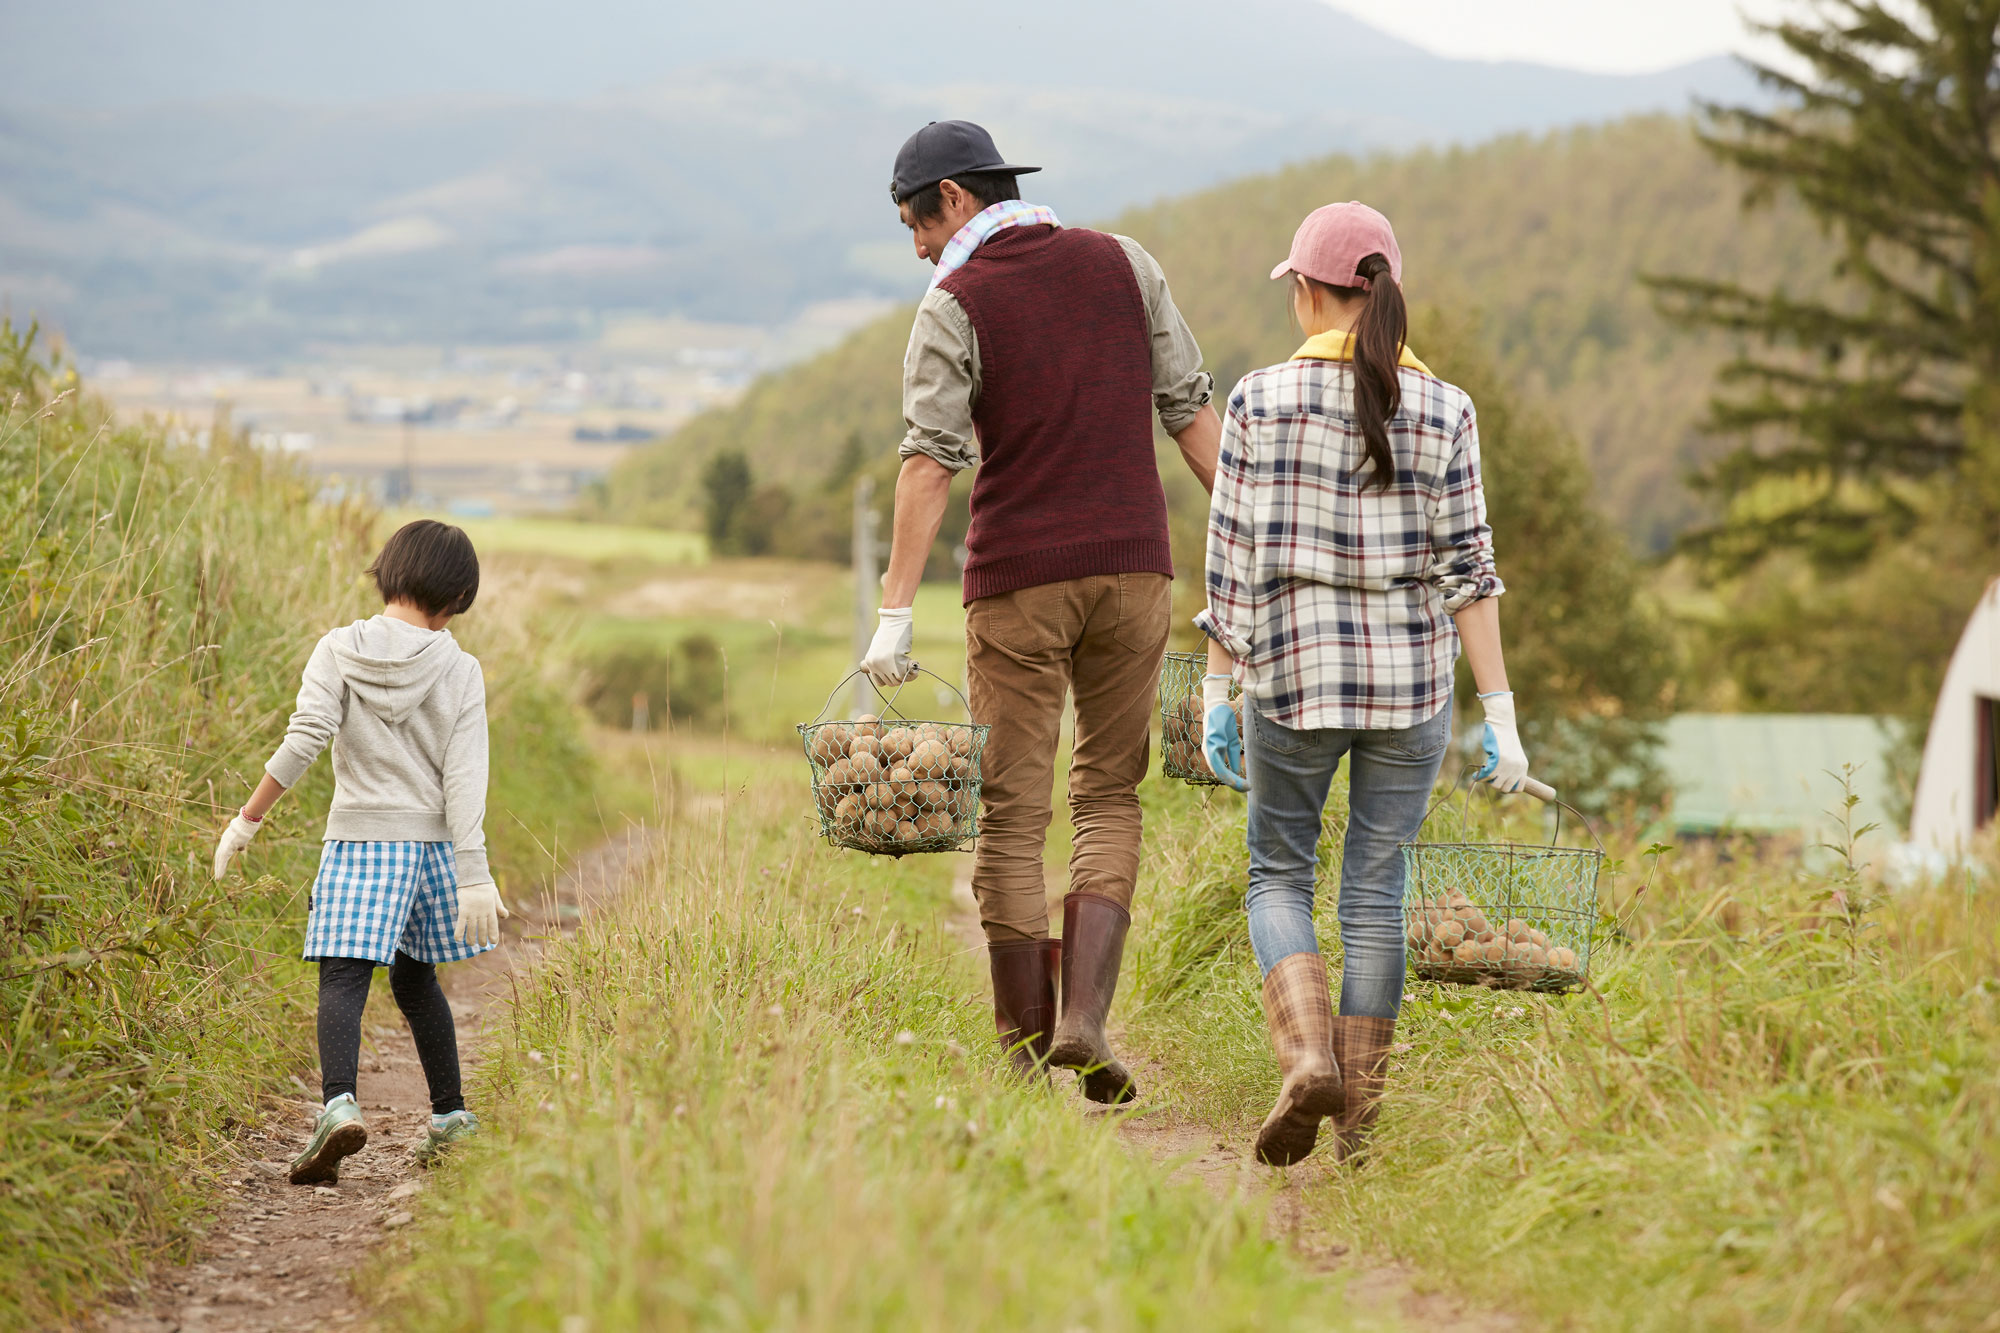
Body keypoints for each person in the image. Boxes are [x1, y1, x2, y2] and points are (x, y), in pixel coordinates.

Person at [862, 120, 1222, 1102]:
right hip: (1135, 574)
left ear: (954, 198)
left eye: (914, 222)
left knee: (1014, 817)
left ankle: (1022, 1061)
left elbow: (930, 460)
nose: (917, 246)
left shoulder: (953, 303)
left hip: (1019, 581)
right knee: (1109, 795)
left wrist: (894, 611)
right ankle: (1087, 1019)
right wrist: (1250, 555)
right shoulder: (1125, 263)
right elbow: (1190, 414)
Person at [1195, 202, 1537, 1165]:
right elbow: (1472, 569)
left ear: (1309, 292)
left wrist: (1217, 689)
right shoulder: (1449, 408)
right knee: (1376, 895)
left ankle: (1305, 1054)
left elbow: (1230, 560)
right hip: (1411, 688)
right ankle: (1361, 1129)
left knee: (1278, 874)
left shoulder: (1260, 400)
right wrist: (1502, 716)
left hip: (1292, 676)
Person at [211, 519, 508, 1184]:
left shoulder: (338, 649)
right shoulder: (461, 670)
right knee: (415, 979)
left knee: (343, 977)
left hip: (358, 840)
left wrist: (247, 818)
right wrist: (473, 870)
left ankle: (339, 1105)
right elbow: (464, 778)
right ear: (459, 595)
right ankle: (450, 1117)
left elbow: (307, 737)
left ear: (387, 570)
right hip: (428, 850)